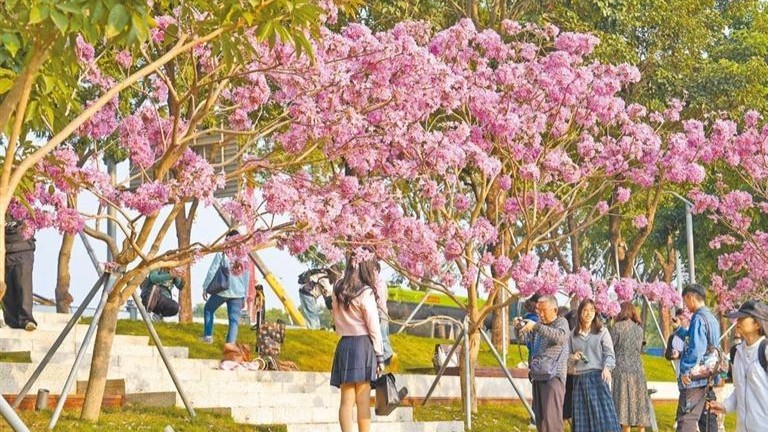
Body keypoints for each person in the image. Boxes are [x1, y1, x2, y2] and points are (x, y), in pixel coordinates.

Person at [330, 257, 384, 432]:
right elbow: (373, 326)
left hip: (345, 344)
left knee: (346, 401)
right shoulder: (366, 291)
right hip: (363, 346)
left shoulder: (337, 289)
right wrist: (380, 355)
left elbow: (336, 320)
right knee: (363, 401)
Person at [708, 300, 768, 430]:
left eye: (742, 317)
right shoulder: (736, 352)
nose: (737, 321)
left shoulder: (765, 351)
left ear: (757, 324)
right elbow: (740, 389)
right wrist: (725, 406)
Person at [518, 295, 569, 432]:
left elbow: (560, 337)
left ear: (555, 310)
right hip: (538, 375)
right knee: (541, 421)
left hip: (553, 378)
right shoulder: (539, 326)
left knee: (551, 421)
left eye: (543, 310)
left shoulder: (561, 322)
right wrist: (520, 328)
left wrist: (536, 326)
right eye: (538, 310)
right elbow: (527, 342)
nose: (540, 314)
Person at [568, 298, 620, 432]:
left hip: (598, 379)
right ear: (580, 313)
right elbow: (566, 359)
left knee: (604, 421)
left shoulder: (602, 331)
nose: (588, 313)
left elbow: (610, 354)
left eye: (592, 310)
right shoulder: (572, 335)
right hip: (579, 380)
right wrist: (573, 358)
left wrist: (607, 368)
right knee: (582, 423)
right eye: (585, 310)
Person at [674, 283, 720, 432]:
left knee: (685, 420)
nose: (686, 306)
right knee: (707, 420)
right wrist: (679, 329)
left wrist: (686, 371)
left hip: (695, 378)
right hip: (708, 377)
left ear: (691, 297)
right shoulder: (711, 317)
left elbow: (696, 349)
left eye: (685, 301)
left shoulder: (698, 318)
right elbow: (696, 341)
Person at [201, 230, 251, 344]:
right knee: (234, 321)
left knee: (208, 309)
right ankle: (230, 345)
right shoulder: (244, 256)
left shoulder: (222, 253)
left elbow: (212, 270)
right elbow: (246, 277)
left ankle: (208, 336)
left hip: (222, 291)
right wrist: (245, 296)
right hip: (238, 293)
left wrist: (205, 286)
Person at [612, 302, 651, 432]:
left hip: (621, 371)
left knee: (623, 408)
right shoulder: (639, 329)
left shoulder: (617, 328)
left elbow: (610, 348)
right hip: (637, 370)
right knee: (639, 406)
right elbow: (639, 349)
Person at [3, 218, 37, 331]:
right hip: (5, 251)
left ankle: (26, 319)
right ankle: (11, 321)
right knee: (6, 290)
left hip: (22, 250)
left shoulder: (22, 208)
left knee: (23, 286)